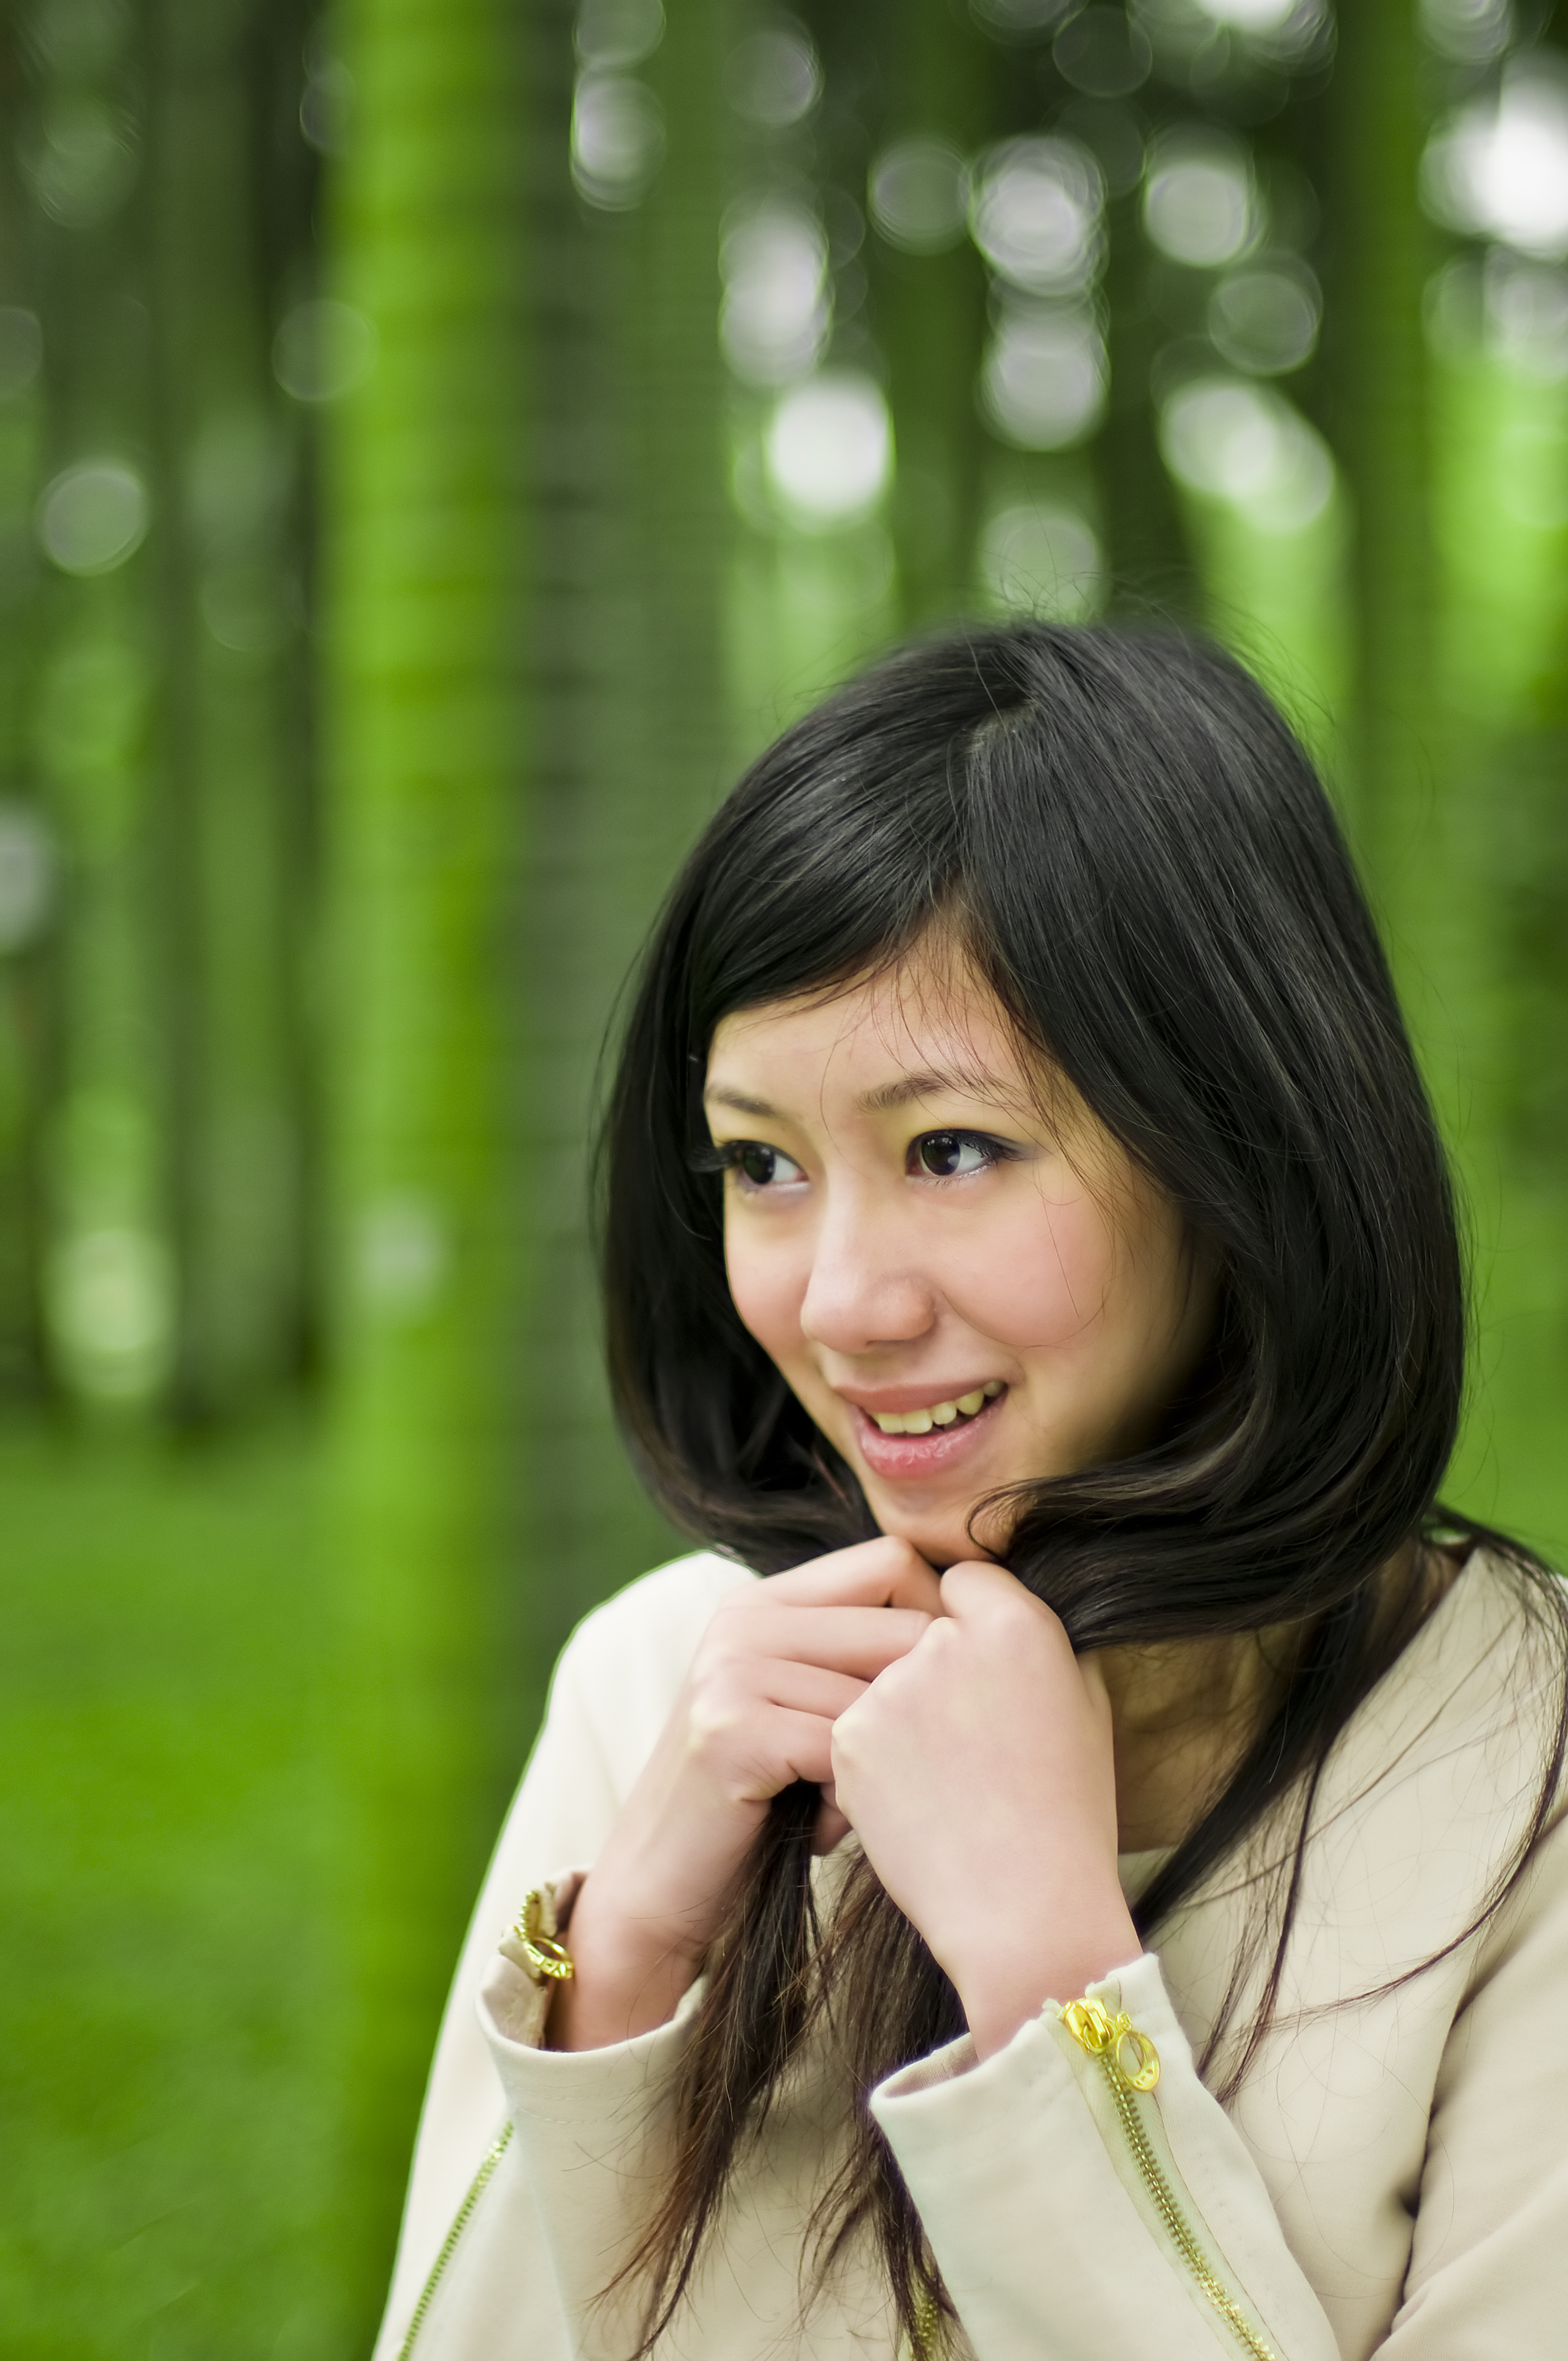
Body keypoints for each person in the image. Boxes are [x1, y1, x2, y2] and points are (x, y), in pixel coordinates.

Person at [372, 625, 1568, 2361]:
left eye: (954, 1149)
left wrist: (1052, 1994)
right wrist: (625, 1966)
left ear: (1244, 1147)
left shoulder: (1528, 1775)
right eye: (762, 1164)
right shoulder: (666, 1691)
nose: (840, 1299)